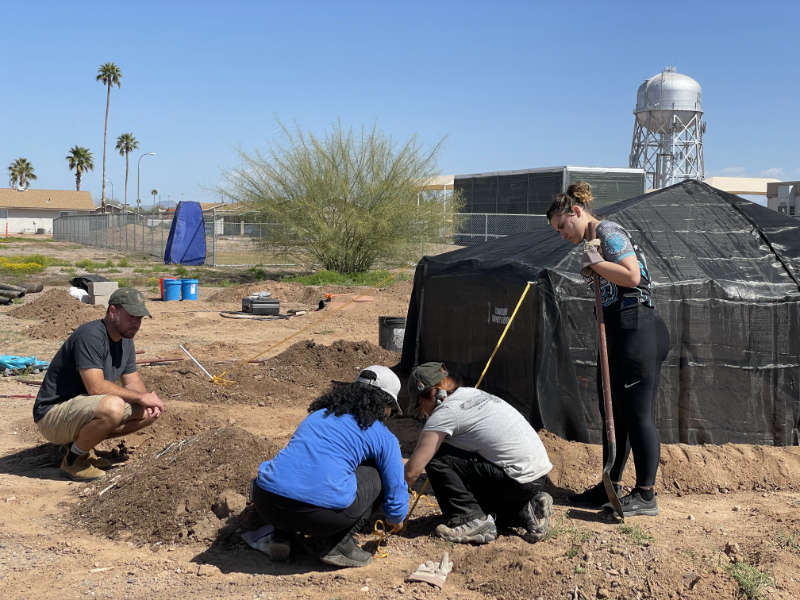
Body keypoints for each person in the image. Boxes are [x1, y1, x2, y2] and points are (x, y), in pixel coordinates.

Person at [547, 181, 669, 517]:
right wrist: (594, 265)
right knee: (612, 413)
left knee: (637, 413)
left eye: (562, 226)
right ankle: (609, 485)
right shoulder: (593, 243)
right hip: (619, 331)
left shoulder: (609, 231)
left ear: (576, 212)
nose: (562, 234)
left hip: (638, 328)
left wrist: (596, 264)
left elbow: (631, 276)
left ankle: (645, 495)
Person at [252, 365, 409, 568]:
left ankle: (281, 536)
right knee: (375, 472)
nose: (389, 415)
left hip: (266, 502)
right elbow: (395, 485)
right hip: (320, 517)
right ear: (384, 405)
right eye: (391, 410)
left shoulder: (318, 415)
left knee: (299, 471)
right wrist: (396, 517)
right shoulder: (382, 436)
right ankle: (337, 544)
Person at [404, 362, 553, 545]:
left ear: (434, 393)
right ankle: (527, 510)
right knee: (477, 498)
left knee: (436, 456)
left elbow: (412, 472)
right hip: (535, 478)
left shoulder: (445, 413)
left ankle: (469, 520)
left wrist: (388, 505)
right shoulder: (471, 394)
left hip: (515, 479)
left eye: (420, 404)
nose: (422, 412)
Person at [32, 287, 164, 481]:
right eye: (132, 316)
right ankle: (74, 460)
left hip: (79, 411)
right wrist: (140, 397)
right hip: (52, 415)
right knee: (113, 407)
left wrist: (147, 400)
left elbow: (133, 381)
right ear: (113, 311)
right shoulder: (91, 335)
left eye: (140, 319)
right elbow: (96, 387)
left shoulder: (126, 340)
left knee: (148, 412)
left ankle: (78, 446)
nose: (136, 323)